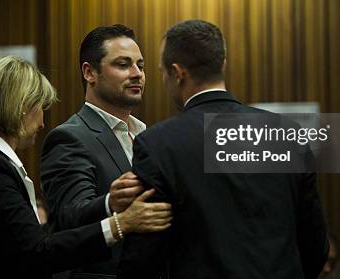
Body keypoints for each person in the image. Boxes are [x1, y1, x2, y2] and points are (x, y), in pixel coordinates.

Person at [117, 20, 329, 279]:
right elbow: (315, 245)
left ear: (177, 73)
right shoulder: (288, 134)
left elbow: (143, 257)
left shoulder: (157, 144)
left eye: (162, 72)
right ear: (223, 64)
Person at [0, 56, 171, 278]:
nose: (42, 122)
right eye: (40, 107)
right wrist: (120, 224)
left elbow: (23, 239)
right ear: (20, 105)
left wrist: (108, 205)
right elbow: (35, 252)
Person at [41, 25, 146, 278]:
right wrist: (111, 203)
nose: (137, 74)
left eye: (140, 66)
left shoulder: (145, 135)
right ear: (90, 72)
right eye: (123, 65)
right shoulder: (69, 137)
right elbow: (69, 217)